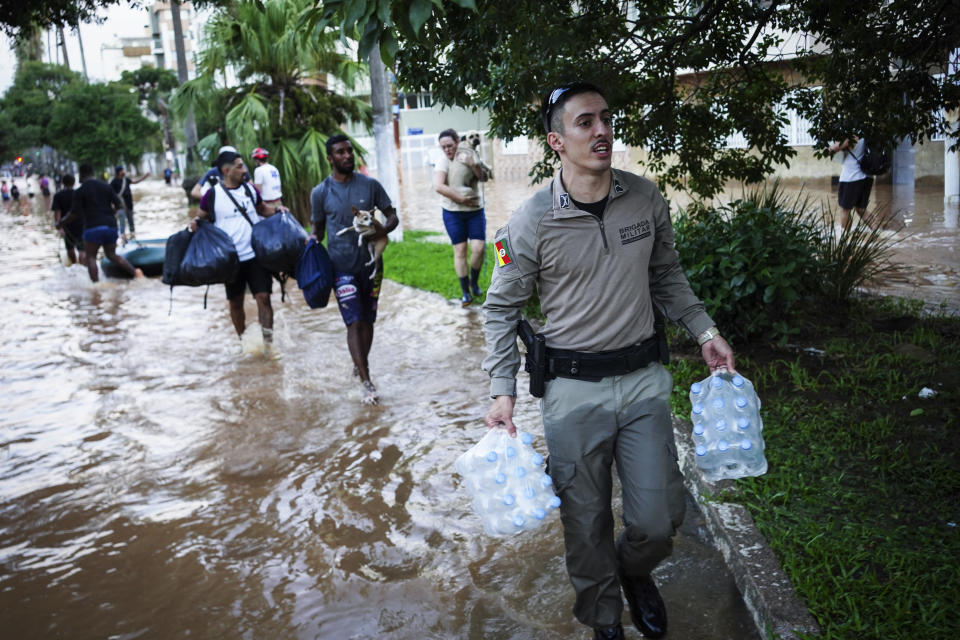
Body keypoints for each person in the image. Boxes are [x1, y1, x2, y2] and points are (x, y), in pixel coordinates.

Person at [482, 82, 736, 640]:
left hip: (644, 382)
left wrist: (705, 330)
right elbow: (499, 307)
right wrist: (502, 388)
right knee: (585, 524)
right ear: (556, 140)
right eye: (584, 123)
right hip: (572, 394)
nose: (601, 131)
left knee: (658, 519)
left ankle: (635, 569)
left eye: (606, 119)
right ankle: (603, 621)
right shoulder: (523, 225)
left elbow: (667, 275)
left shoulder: (645, 199)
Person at [310, 134, 398, 405]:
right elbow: (318, 230)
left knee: (369, 321)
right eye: (340, 152)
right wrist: (309, 244)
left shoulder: (370, 185)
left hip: (371, 266)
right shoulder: (320, 192)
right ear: (330, 158)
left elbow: (392, 214)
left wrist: (382, 229)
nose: (347, 156)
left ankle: (360, 366)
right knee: (354, 322)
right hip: (340, 267)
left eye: (349, 151)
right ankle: (366, 381)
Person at [192, 150, 284, 346]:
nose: (244, 169)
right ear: (227, 171)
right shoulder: (212, 195)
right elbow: (201, 217)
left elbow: (262, 210)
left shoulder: (250, 190)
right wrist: (195, 222)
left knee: (264, 297)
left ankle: (268, 344)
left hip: (255, 255)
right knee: (235, 302)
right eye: (239, 166)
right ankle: (244, 342)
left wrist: (277, 211)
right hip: (230, 260)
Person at [56, 164, 143, 282]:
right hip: (110, 226)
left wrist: (60, 223)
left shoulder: (80, 191)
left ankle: (96, 287)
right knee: (112, 255)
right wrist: (109, 213)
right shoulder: (105, 186)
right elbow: (119, 205)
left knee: (91, 258)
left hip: (92, 228)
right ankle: (136, 273)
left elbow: (74, 214)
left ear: (81, 174)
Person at [433, 128, 490, 306]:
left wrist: (473, 164)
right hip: (452, 213)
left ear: (458, 142)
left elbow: (484, 178)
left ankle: (474, 281)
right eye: (443, 147)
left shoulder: (469, 154)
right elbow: (438, 186)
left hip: (475, 211)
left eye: (450, 145)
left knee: (479, 248)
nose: (447, 150)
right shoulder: (442, 161)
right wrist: (462, 200)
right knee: (460, 251)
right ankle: (466, 291)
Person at [829, 137, 877, 231]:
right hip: (867, 177)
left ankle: (845, 239)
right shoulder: (866, 134)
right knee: (861, 209)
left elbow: (832, 149)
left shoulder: (852, 135)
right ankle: (878, 232)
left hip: (851, 177)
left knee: (845, 210)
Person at [51, 174, 85, 265]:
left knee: (70, 247)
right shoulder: (79, 193)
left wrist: (59, 227)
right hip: (81, 224)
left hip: (66, 225)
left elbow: (57, 212)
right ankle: (83, 266)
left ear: (63, 183)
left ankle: (74, 265)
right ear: (74, 182)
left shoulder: (58, 196)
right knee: (82, 248)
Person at [110, 166, 150, 240]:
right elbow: (111, 194)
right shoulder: (114, 182)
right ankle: (123, 237)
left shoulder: (126, 179)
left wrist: (144, 177)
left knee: (131, 221)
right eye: (122, 170)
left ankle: (133, 235)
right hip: (119, 206)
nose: (123, 172)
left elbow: (135, 182)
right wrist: (112, 205)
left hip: (129, 204)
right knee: (122, 222)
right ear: (118, 172)